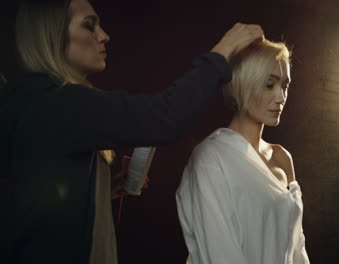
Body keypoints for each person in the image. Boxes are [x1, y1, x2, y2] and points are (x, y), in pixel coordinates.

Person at [2, 0, 264, 263]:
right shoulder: (61, 103)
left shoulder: (28, 103)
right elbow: (167, 117)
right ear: (52, 35)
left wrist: (99, 192)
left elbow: (34, 201)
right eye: (89, 26)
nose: (104, 36)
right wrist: (224, 50)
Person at [176, 40, 310, 263]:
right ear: (243, 84)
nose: (281, 97)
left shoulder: (282, 157)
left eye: (284, 86)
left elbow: (297, 245)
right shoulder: (211, 158)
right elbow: (220, 254)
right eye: (269, 85)